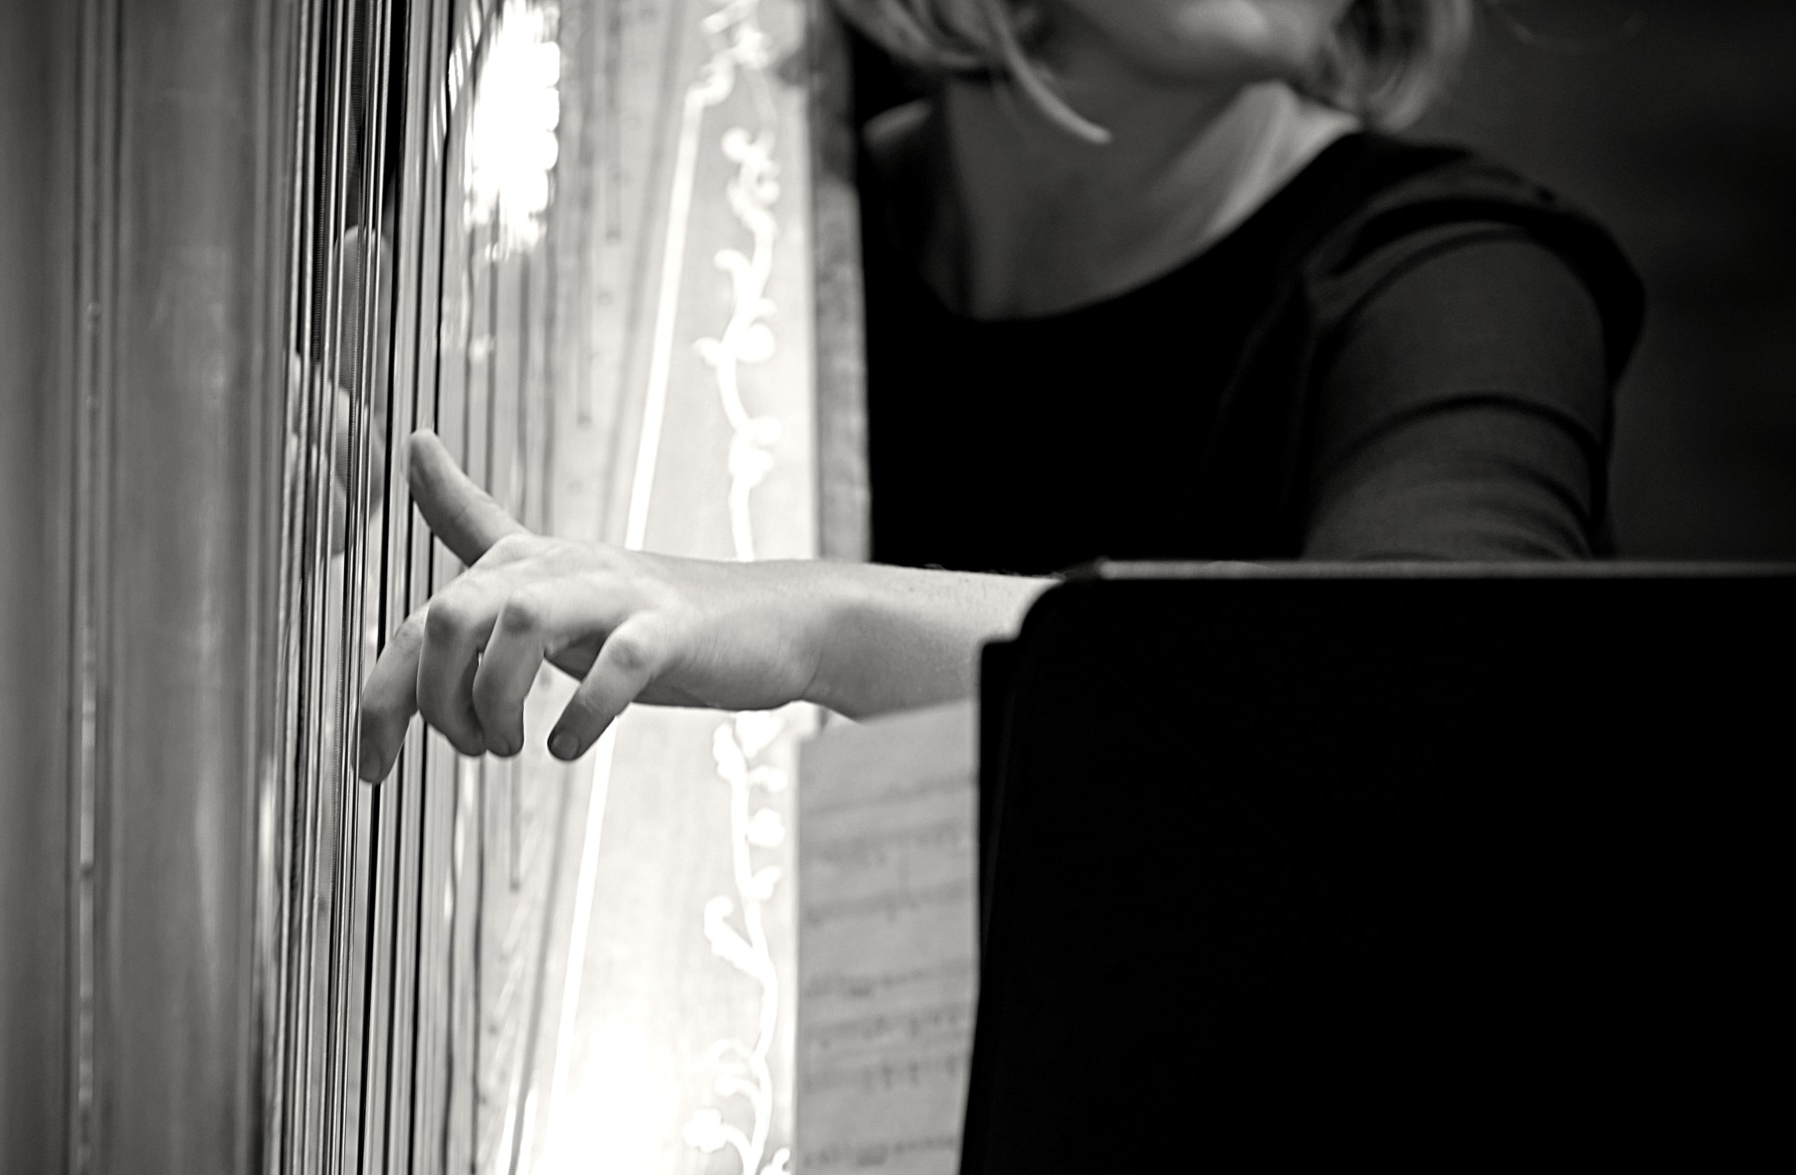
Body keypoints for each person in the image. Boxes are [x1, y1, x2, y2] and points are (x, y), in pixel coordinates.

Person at [357, 0, 1643, 781]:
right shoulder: (715, 247)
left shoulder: (1459, 278)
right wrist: (346, 522)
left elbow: (1426, 691)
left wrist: (813, 622)